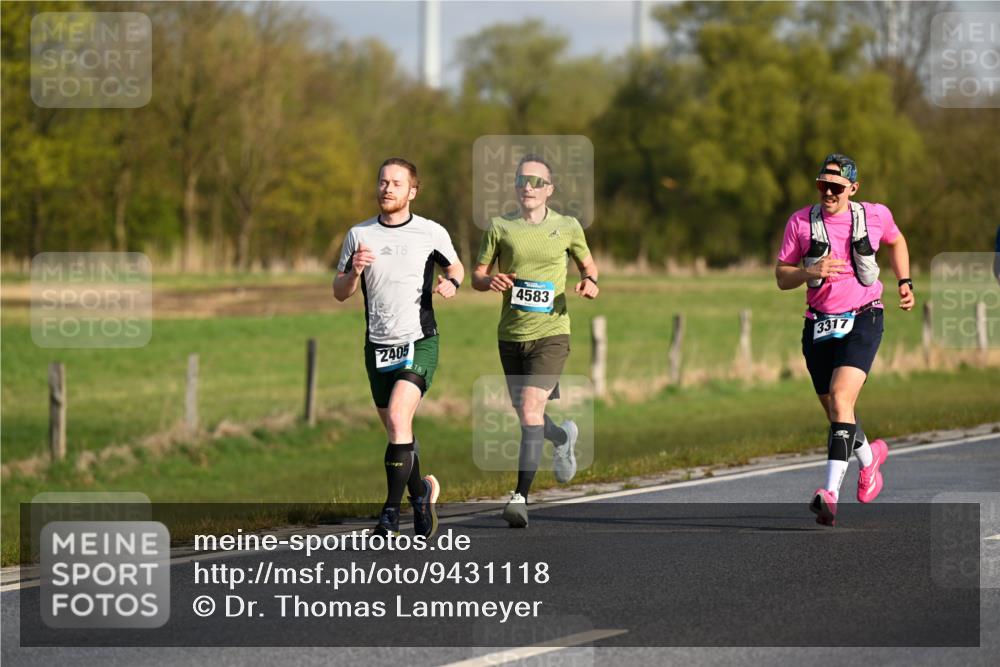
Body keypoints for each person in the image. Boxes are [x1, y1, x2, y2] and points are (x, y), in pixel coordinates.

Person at [775, 153, 914, 526]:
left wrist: (904, 282)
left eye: (836, 187)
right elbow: (781, 277)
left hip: (864, 316)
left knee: (840, 399)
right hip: (819, 324)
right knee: (838, 412)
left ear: (853, 188)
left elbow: (897, 241)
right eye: (823, 185)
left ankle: (829, 494)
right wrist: (808, 271)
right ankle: (872, 460)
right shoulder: (800, 222)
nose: (829, 192)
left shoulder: (874, 216)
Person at [333, 157, 464, 538]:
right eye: (382, 182)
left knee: (396, 418)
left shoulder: (430, 232)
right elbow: (340, 292)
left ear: (412, 191)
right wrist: (354, 271)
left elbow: (455, 268)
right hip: (377, 346)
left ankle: (389, 515)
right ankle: (421, 493)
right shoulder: (359, 234)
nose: (387, 188)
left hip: (418, 340)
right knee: (398, 430)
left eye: (395, 183)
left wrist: (452, 284)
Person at [472, 154, 600, 528]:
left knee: (529, 413)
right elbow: (478, 275)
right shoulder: (499, 227)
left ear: (549, 189)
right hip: (511, 334)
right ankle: (562, 436)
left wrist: (590, 283)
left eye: (536, 181)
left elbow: (589, 266)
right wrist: (488, 281)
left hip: (552, 333)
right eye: (522, 180)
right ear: (514, 186)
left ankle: (519, 498)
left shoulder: (568, 226)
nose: (528, 186)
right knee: (530, 417)